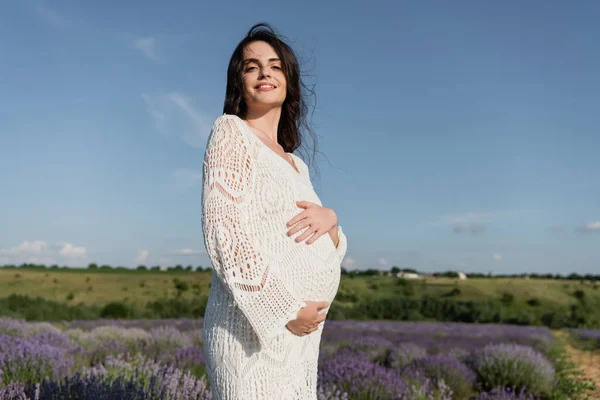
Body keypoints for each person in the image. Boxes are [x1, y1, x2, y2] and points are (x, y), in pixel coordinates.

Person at [201, 23, 348, 399]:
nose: (265, 72)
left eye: (275, 65)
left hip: (299, 339)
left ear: (289, 81)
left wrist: (331, 218)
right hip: (250, 330)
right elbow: (224, 234)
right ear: (240, 81)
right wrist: (284, 309)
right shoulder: (231, 132)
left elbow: (323, 238)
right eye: (252, 66)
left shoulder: (296, 164)